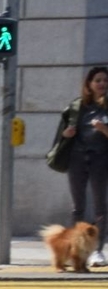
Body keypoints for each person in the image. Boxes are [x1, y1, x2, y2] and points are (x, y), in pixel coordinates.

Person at [53, 66, 108, 234]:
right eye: (97, 80)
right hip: (77, 158)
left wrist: (103, 129)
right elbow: (61, 134)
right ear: (89, 84)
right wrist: (67, 133)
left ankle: (98, 248)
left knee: (100, 205)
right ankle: (77, 245)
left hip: (100, 159)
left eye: (105, 80)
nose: (102, 84)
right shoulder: (77, 106)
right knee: (78, 205)